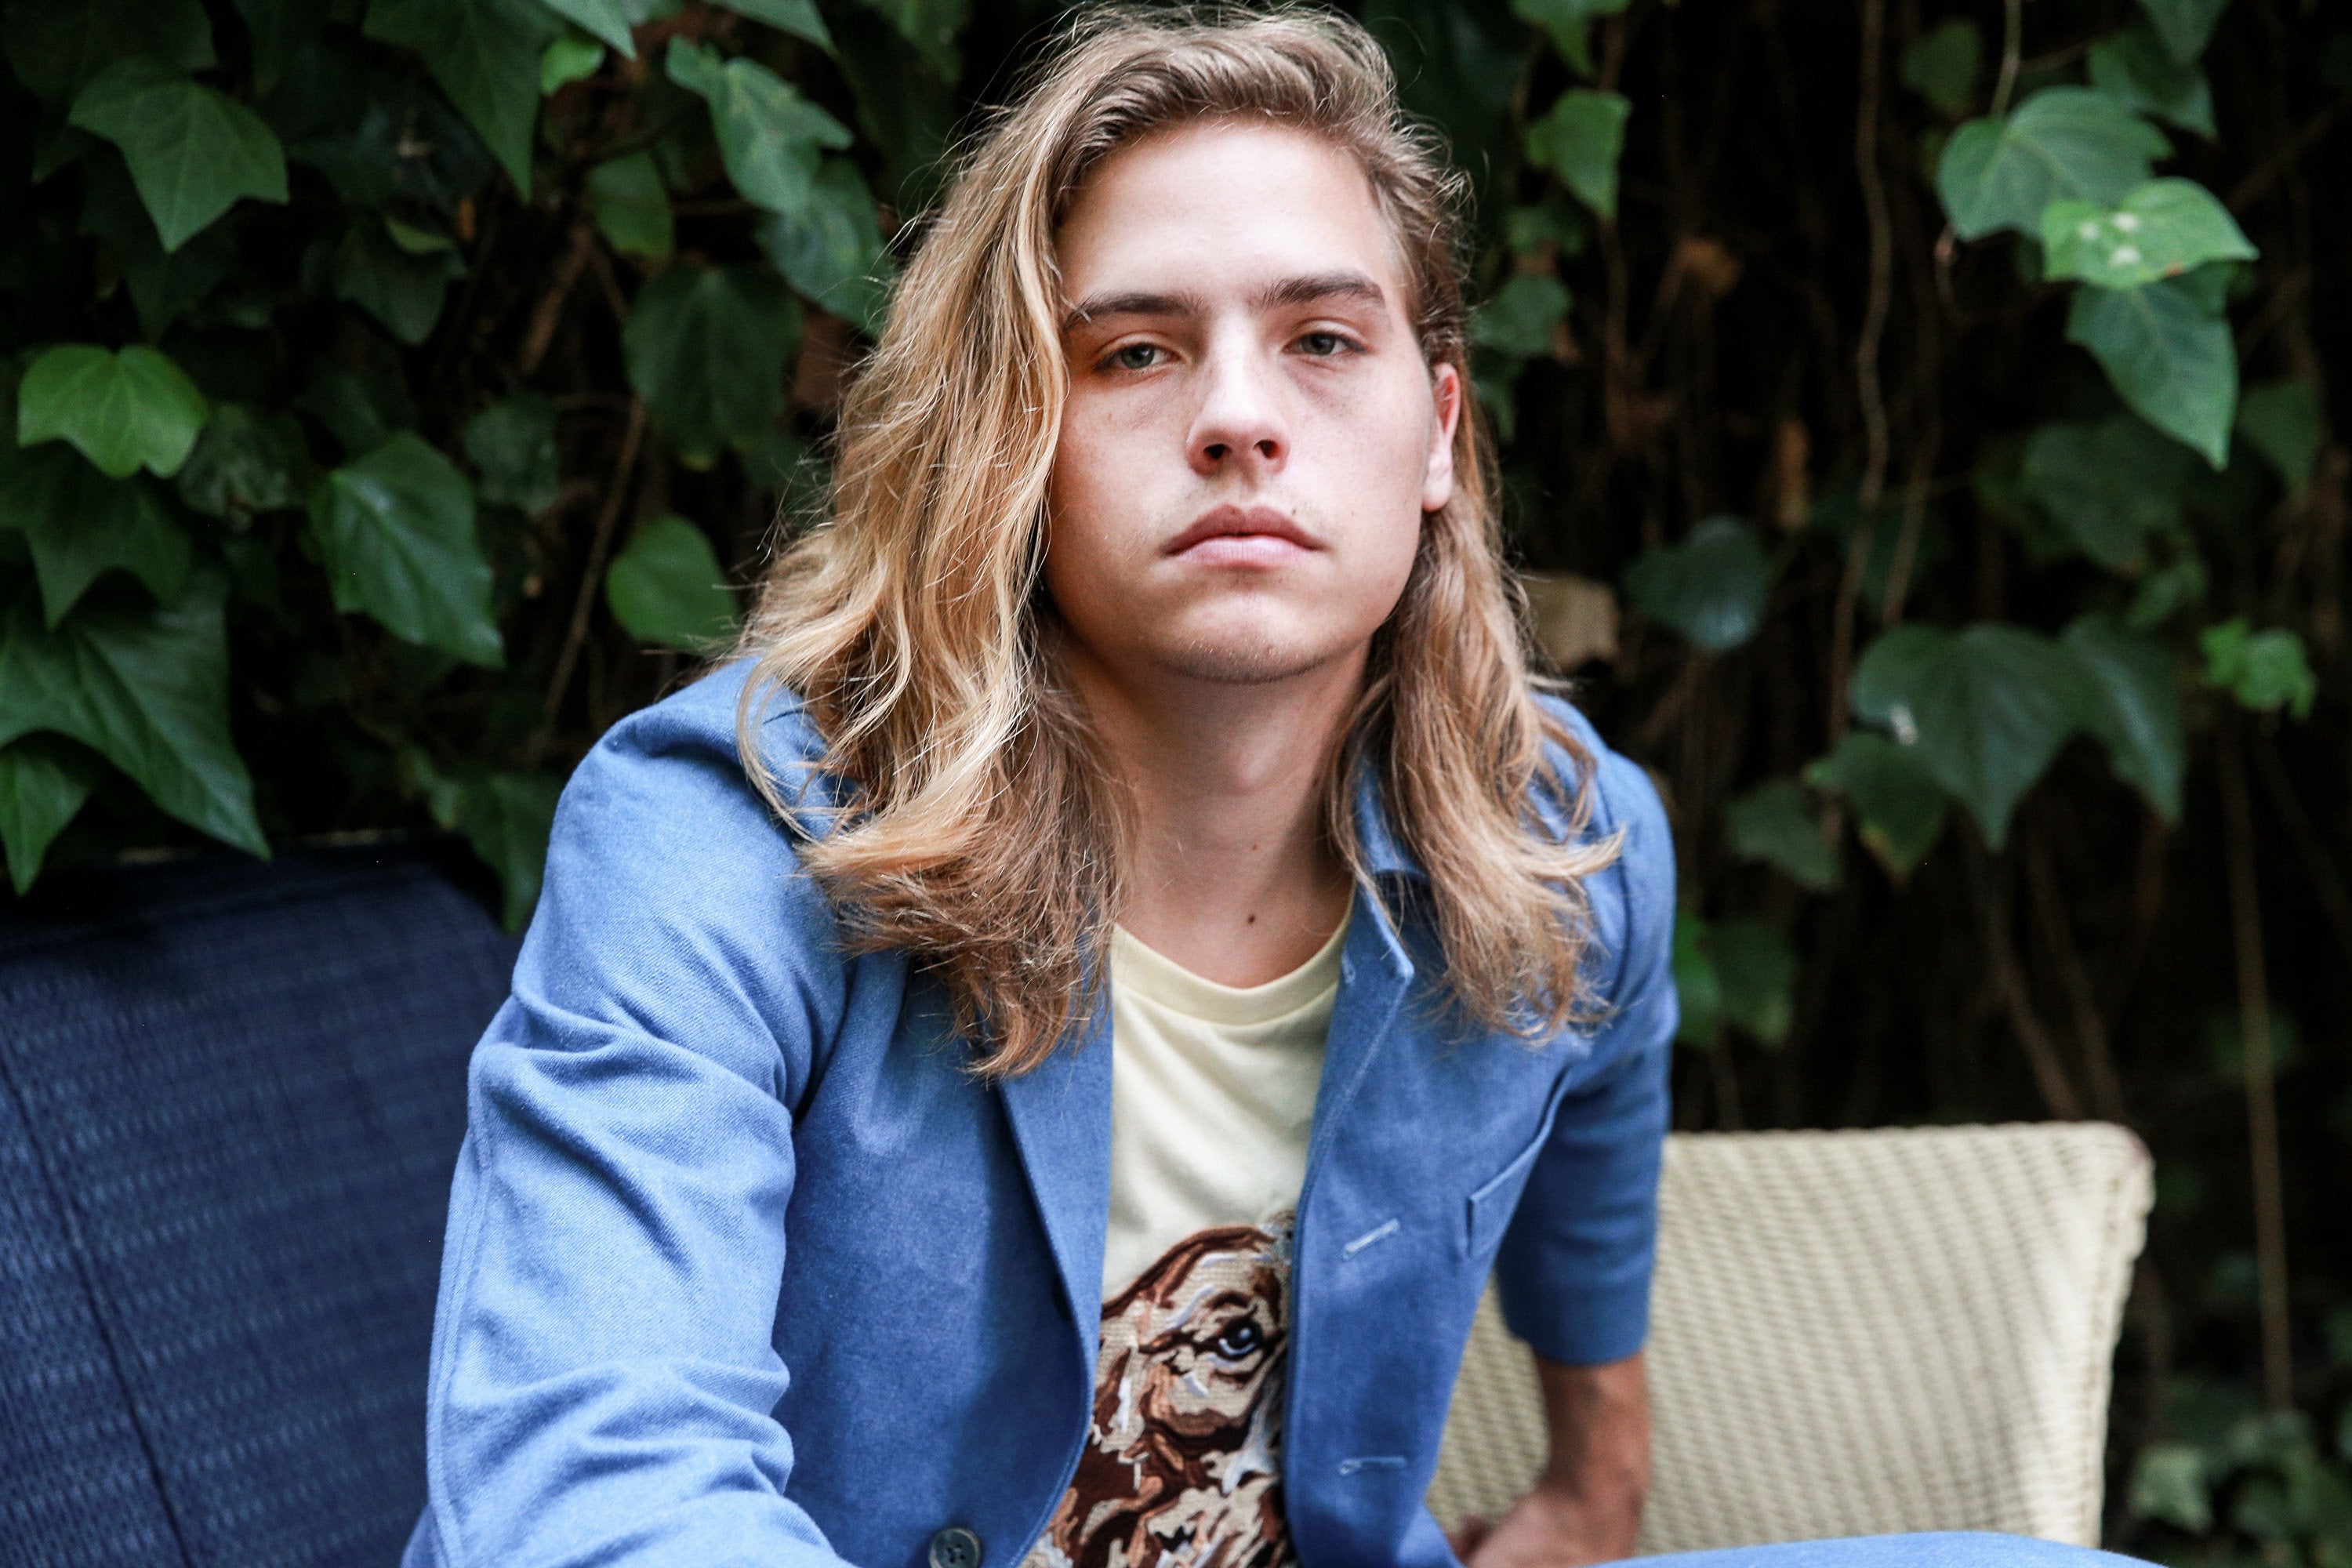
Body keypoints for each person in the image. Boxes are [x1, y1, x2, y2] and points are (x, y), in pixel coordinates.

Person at [402, 11, 2151, 1568]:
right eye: (1134, 353)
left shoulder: (1558, 843)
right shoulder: (734, 841)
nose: (1239, 416)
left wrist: (1596, 1469)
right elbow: (589, 1493)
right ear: (1009, 441)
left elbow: (1608, 1066)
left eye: (1321, 339)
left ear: (1439, 431)